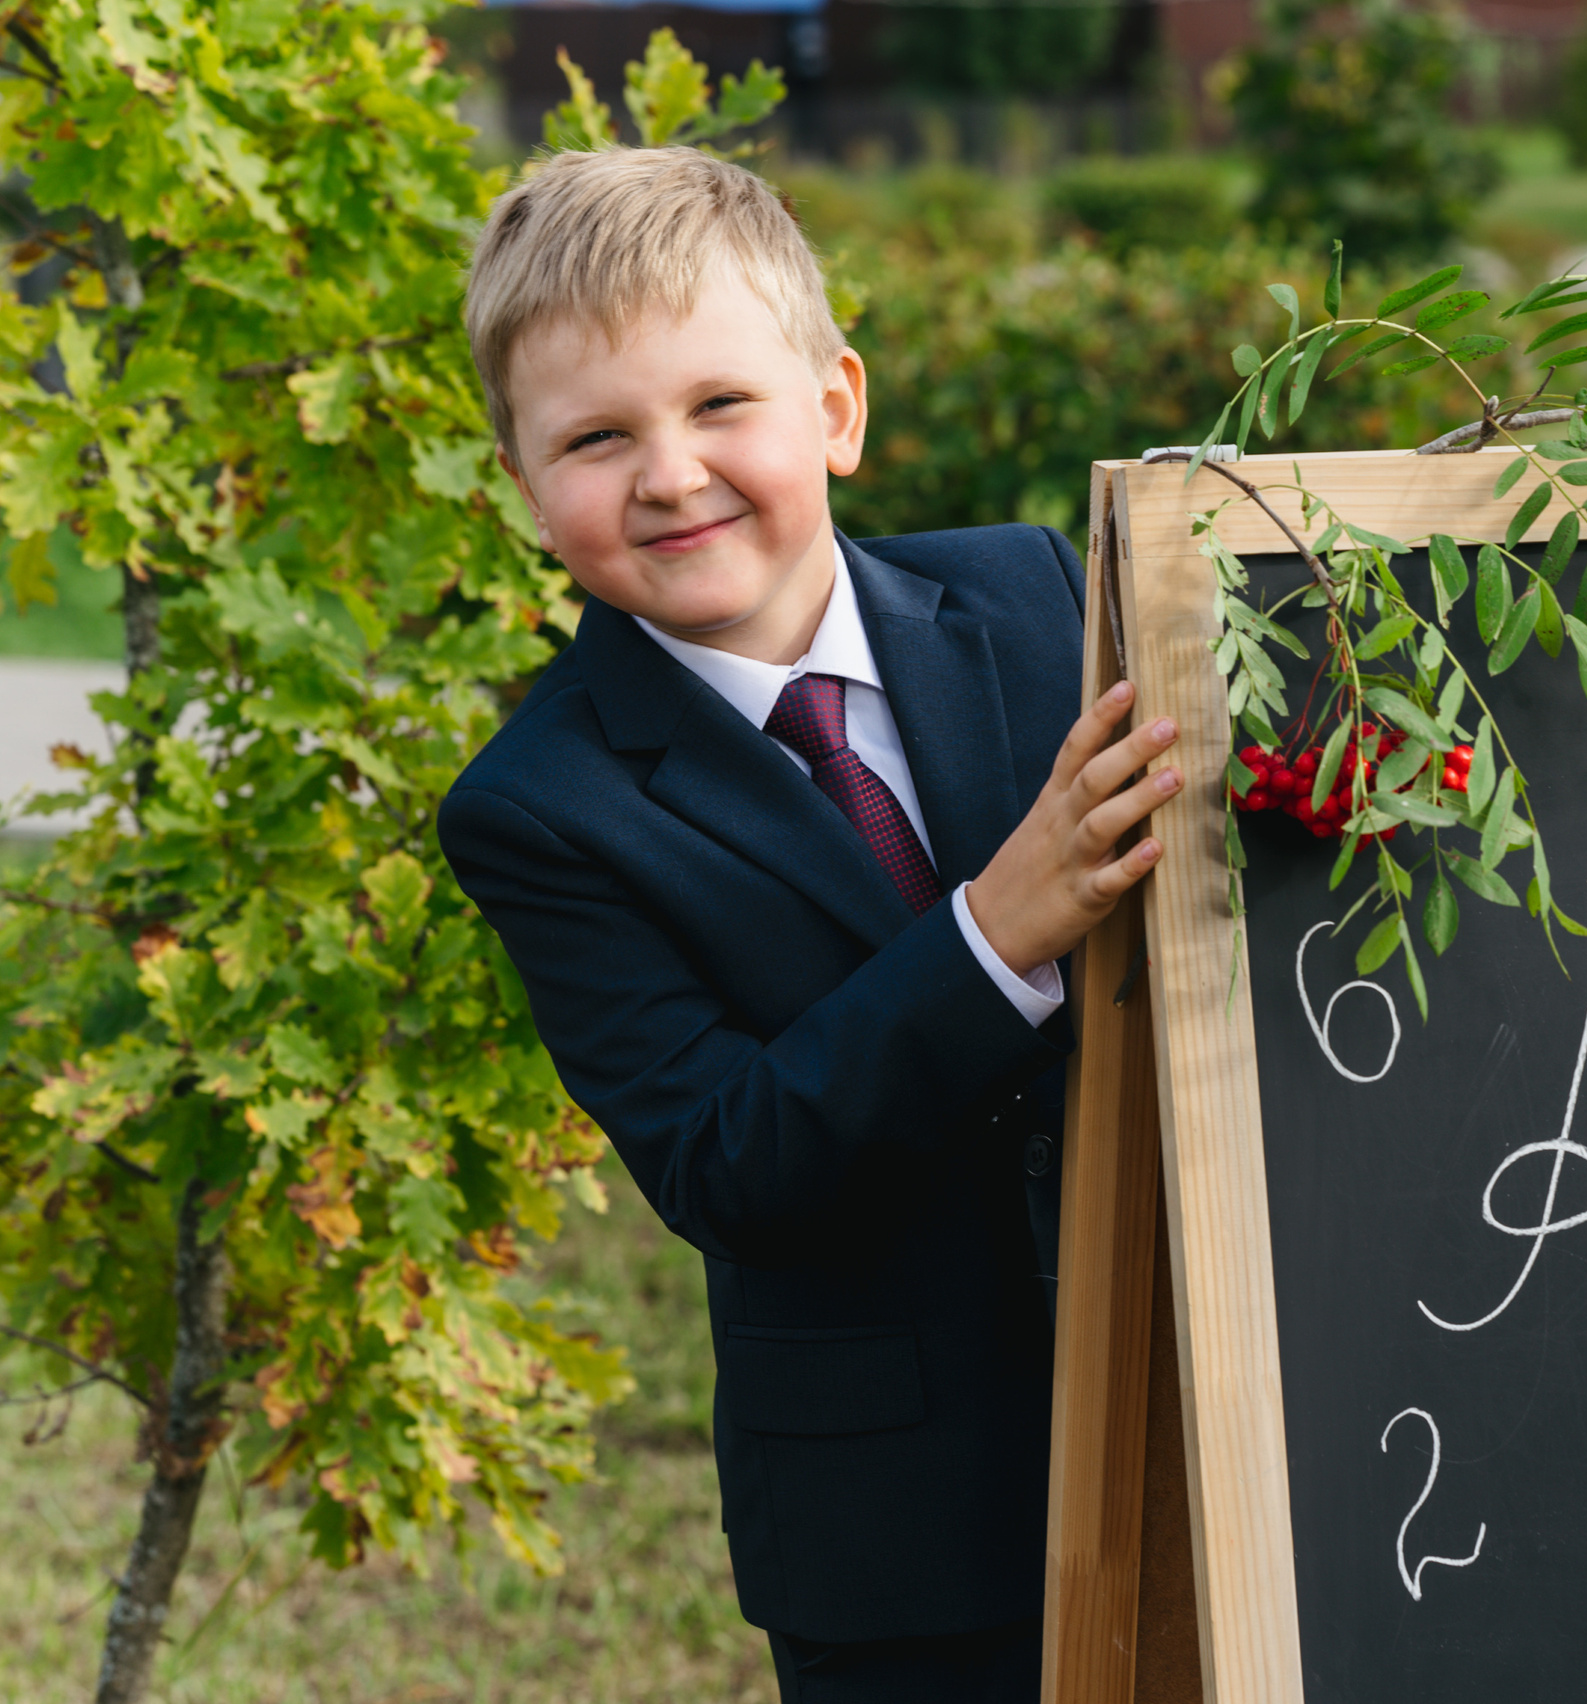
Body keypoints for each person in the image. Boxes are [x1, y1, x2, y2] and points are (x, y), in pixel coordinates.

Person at [437, 145, 1180, 1703]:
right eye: (593, 436)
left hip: (1192, 1409)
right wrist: (994, 934)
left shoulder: (1040, 598)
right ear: (521, 485)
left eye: (720, 405)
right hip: (902, 1535)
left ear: (833, 408)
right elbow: (728, 1161)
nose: (667, 472)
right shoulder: (546, 805)